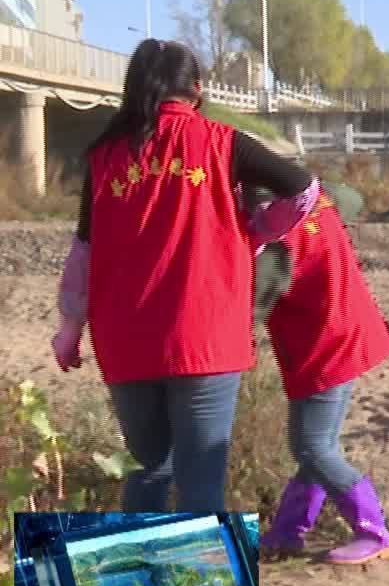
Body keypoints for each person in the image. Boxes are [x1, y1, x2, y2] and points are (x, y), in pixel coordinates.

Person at [50, 38, 319, 512]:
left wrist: (69, 332)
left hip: (125, 341)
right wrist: (255, 231)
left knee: (146, 474)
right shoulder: (223, 143)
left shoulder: (103, 157)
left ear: (133, 90)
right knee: (200, 486)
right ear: (197, 90)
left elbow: (83, 252)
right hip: (206, 339)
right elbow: (304, 191)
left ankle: (135, 585)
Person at [246, 183, 389, 566]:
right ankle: (288, 531)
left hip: (324, 343)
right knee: (317, 445)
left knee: (312, 447)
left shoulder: (273, 244)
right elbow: (354, 197)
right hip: (347, 329)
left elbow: (247, 313)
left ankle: (373, 532)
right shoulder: (320, 197)